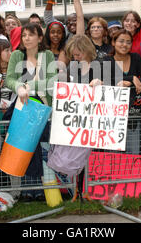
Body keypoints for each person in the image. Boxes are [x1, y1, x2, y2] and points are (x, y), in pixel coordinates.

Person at [5, 23, 57, 200]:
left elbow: (52, 81)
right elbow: (9, 79)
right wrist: (19, 87)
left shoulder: (47, 55)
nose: (26, 38)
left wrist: (29, 85)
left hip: (43, 109)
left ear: (40, 38)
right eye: (24, 35)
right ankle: (28, 191)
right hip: (23, 108)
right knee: (25, 149)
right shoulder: (16, 55)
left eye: (31, 35)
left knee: (43, 148)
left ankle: (46, 190)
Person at [60, 34, 103, 201]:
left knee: (95, 155)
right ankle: (78, 191)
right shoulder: (73, 67)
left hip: (98, 116)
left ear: (87, 50)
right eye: (74, 55)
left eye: (78, 54)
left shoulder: (102, 64)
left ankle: (93, 190)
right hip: (79, 118)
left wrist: (101, 83)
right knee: (79, 157)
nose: (76, 57)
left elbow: (114, 84)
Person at [104, 29, 141, 154]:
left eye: (128, 42)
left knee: (133, 152)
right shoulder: (106, 60)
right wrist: (131, 78)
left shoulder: (136, 58)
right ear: (113, 42)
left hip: (134, 113)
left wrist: (131, 81)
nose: (124, 45)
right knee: (113, 153)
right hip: (112, 115)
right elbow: (107, 81)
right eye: (121, 41)